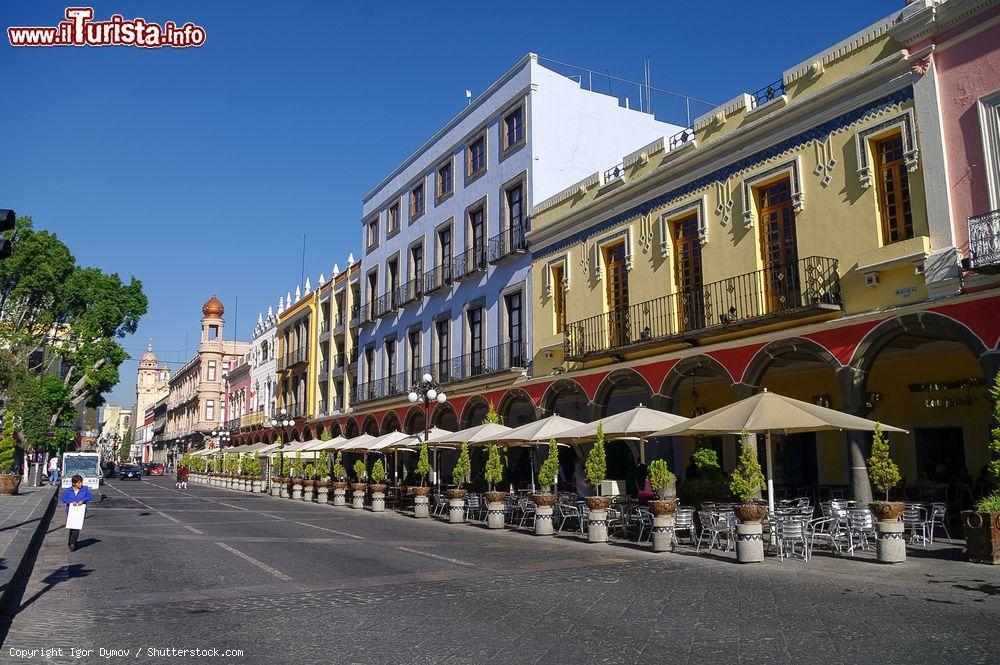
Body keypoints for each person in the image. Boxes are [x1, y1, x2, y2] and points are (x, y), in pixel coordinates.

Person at [60, 475, 92, 551]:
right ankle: (71, 542)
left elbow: (89, 497)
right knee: (72, 527)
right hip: (71, 511)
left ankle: (72, 543)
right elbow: (63, 498)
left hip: (80, 511)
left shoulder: (85, 489)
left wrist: (83, 500)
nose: (81, 484)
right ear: (74, 483)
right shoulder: (69, 490)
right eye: (79, 482)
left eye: (81, 482)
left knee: (76, 527)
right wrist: (70, 501)